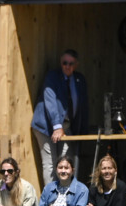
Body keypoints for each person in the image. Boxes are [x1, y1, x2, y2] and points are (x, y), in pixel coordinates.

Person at [31, 49, 88, 184]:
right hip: (45, 125)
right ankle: (50, 198)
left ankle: (65, 196)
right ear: (60, 63)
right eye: (64, 63)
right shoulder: (52, 77)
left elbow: (83, 107)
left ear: (76, 64)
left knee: (65, 161)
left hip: (66, 126)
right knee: (50, 162)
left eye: (71, 63)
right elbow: (50, 101)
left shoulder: (79, 80)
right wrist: (57, 126)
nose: (67, 66)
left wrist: (83, 130)